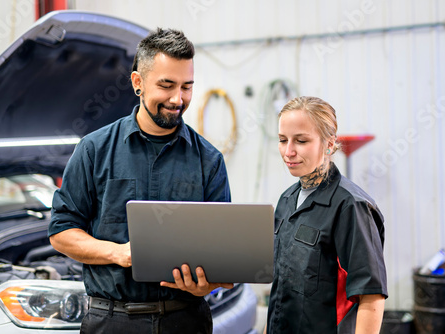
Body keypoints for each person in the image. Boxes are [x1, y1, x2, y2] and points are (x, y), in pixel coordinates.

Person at [48, 28, 233, 334]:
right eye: (167, 85)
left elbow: (222, 249)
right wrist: (118, 252)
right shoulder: (94, 150)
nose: (178, 99)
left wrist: (207, 286)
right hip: (112, 321)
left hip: (186, 320)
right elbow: (62, 231)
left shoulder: (209, 160)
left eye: (187, 87)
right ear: (138, 82)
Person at [265, 96, 387, 333]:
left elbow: (370, 296)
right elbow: (280, 287)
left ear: (329, 144)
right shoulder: (286, 200)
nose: (288, 151)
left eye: (301, 141)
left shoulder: (350, 206)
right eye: (282, 140)